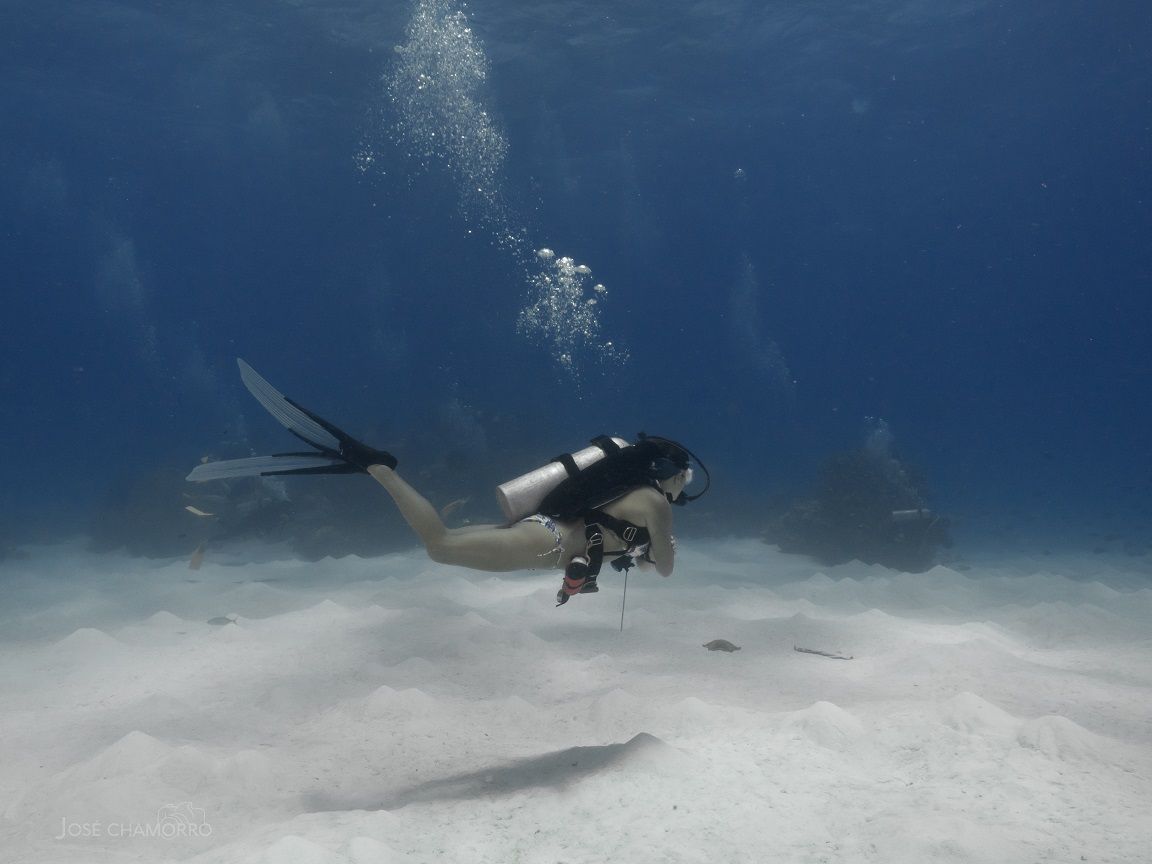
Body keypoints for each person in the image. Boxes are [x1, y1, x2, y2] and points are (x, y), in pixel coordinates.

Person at [188, 361, 707, 605]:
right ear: (670, 475)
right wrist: (654, 549)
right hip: (544, 539)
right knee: (439, 546)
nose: (682, 489)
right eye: (682, 479)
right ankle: (377, 467)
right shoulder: (654, 505)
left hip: (542, 528)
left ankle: (373, 467)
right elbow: (663, 570)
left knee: (447, 543)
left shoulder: (626, 492)